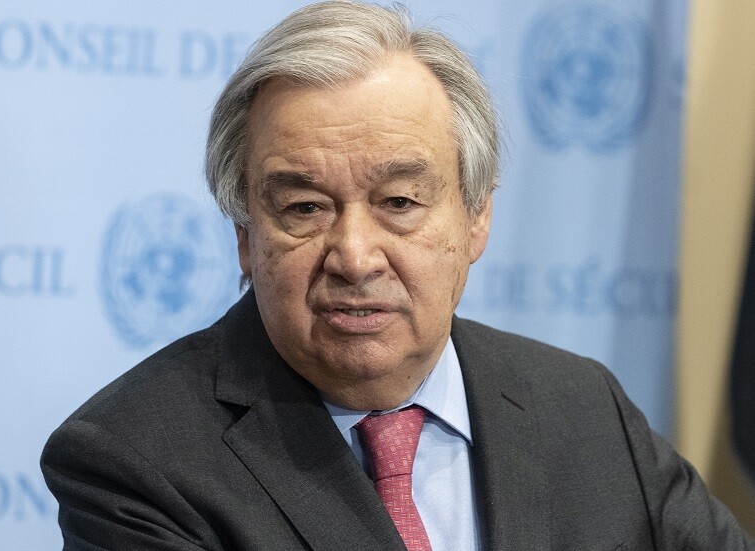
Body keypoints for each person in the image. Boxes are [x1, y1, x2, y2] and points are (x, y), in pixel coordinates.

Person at [41, 2, 755, 550]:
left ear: (476, 217)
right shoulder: (134, 460)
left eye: (401, 202)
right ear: (245, 236)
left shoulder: (584, 408)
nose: (355, 256)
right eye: (304, 207)